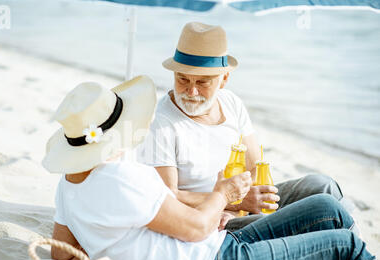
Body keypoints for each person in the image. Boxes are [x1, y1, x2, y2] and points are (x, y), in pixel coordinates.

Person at [42, 76, 380, 260]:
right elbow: (195, 228)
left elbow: (62, 253)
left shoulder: (70, 183)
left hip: (213, 252)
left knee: (326, 209)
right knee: (345, 246)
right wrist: (222, 194)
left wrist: (127, 251)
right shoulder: (121, 177)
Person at [136, 21, 358, 234]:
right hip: (210, 218)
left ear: (223, 80)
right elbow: (167, 196)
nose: (191, 92)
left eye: (202, 82)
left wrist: (246, 200)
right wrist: (231, 203)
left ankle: (355, 259)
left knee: (322, 185)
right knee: (319, 212)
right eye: (183, 79)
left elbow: (254, 167)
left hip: (240, 203)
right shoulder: (161, 122)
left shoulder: (231, 103)